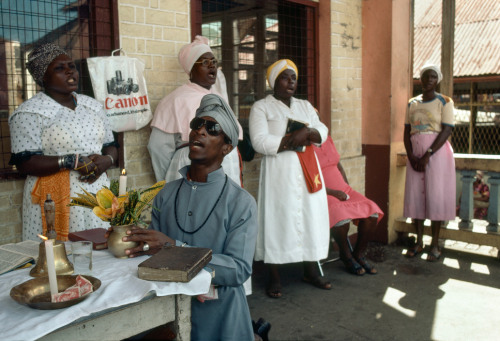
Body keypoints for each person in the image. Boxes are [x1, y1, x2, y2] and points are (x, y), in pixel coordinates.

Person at [116, 94, 258, 341]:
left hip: (220, 317)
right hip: (167, 314)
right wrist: (129, 237)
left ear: (227, 147)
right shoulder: (166, 194)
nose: (200, 131)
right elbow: (154, 253)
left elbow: (238, 270)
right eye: (197, 125)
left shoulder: (240, 202)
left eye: (212, 128)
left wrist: (174, 247)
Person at [8, 43, 118, 241]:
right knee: (58, 257)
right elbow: (25, 162)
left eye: (71, 66)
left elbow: (111, 144)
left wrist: (107, 160)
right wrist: (71, 162)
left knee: (101, 248)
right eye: (59, 68)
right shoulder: (29, 113)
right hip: (53, 198)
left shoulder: (92, 106)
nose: (70, 71)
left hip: (97, 190)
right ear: (42, 77)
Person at [249, 59, 331, 298]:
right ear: (274, 81)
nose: (290, 82)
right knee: (277, 217)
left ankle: (311, 269)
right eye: (285, 77)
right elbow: (259, 141)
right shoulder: (262, 107)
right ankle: (273, 275)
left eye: (293, 77)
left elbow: (322, 130)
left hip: (307, 168)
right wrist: (291, 139)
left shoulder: (305, 105)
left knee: (309, 216)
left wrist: (308, 133)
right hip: (279, 170)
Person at [148, 35, 242, 185]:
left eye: (214, 62)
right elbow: (159, 149)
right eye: (205, 62)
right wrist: (168, 180)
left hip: (227, 168)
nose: (212, 66)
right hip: (189, 166)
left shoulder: (219, 98)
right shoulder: (174, 100)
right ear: (191, 68)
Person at [404, 63, 456, 262]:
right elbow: (406, 130)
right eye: (425, 77)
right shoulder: (412, 103)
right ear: (420, 79)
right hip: (415, 154)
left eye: (433, 77)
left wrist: (428, 154)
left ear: (438, 80)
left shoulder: (445, 101)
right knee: (416, 196)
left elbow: (447, 130)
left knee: (435, 196)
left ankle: (435, 244)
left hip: (437, 153)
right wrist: (411, 155)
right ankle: (418, 242)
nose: (428, 81)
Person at [313, 136, 384, 275]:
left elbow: (338, 165)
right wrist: (333, 192)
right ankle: (346, 255)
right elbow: (308, 178)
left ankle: (358, 253)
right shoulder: (305, 146)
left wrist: (347, 187)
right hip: (323, 193)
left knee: (372, 213)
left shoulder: (327, 139)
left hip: (343, 191)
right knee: (340, 217)